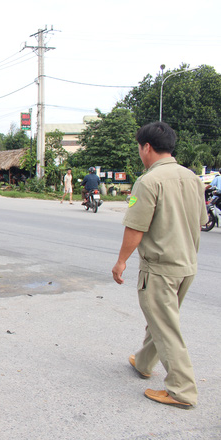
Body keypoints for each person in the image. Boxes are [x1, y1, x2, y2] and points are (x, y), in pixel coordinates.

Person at [112, 122, 207, 409]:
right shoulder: (192, 179)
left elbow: (136, 229)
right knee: (162, 318)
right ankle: (143, 362)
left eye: (139, 148)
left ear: (147, 147)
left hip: (161, 267)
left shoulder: (148, 181)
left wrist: (121, 262)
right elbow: (202, 222)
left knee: (166, 326)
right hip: (187, 265)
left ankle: (182, 390)